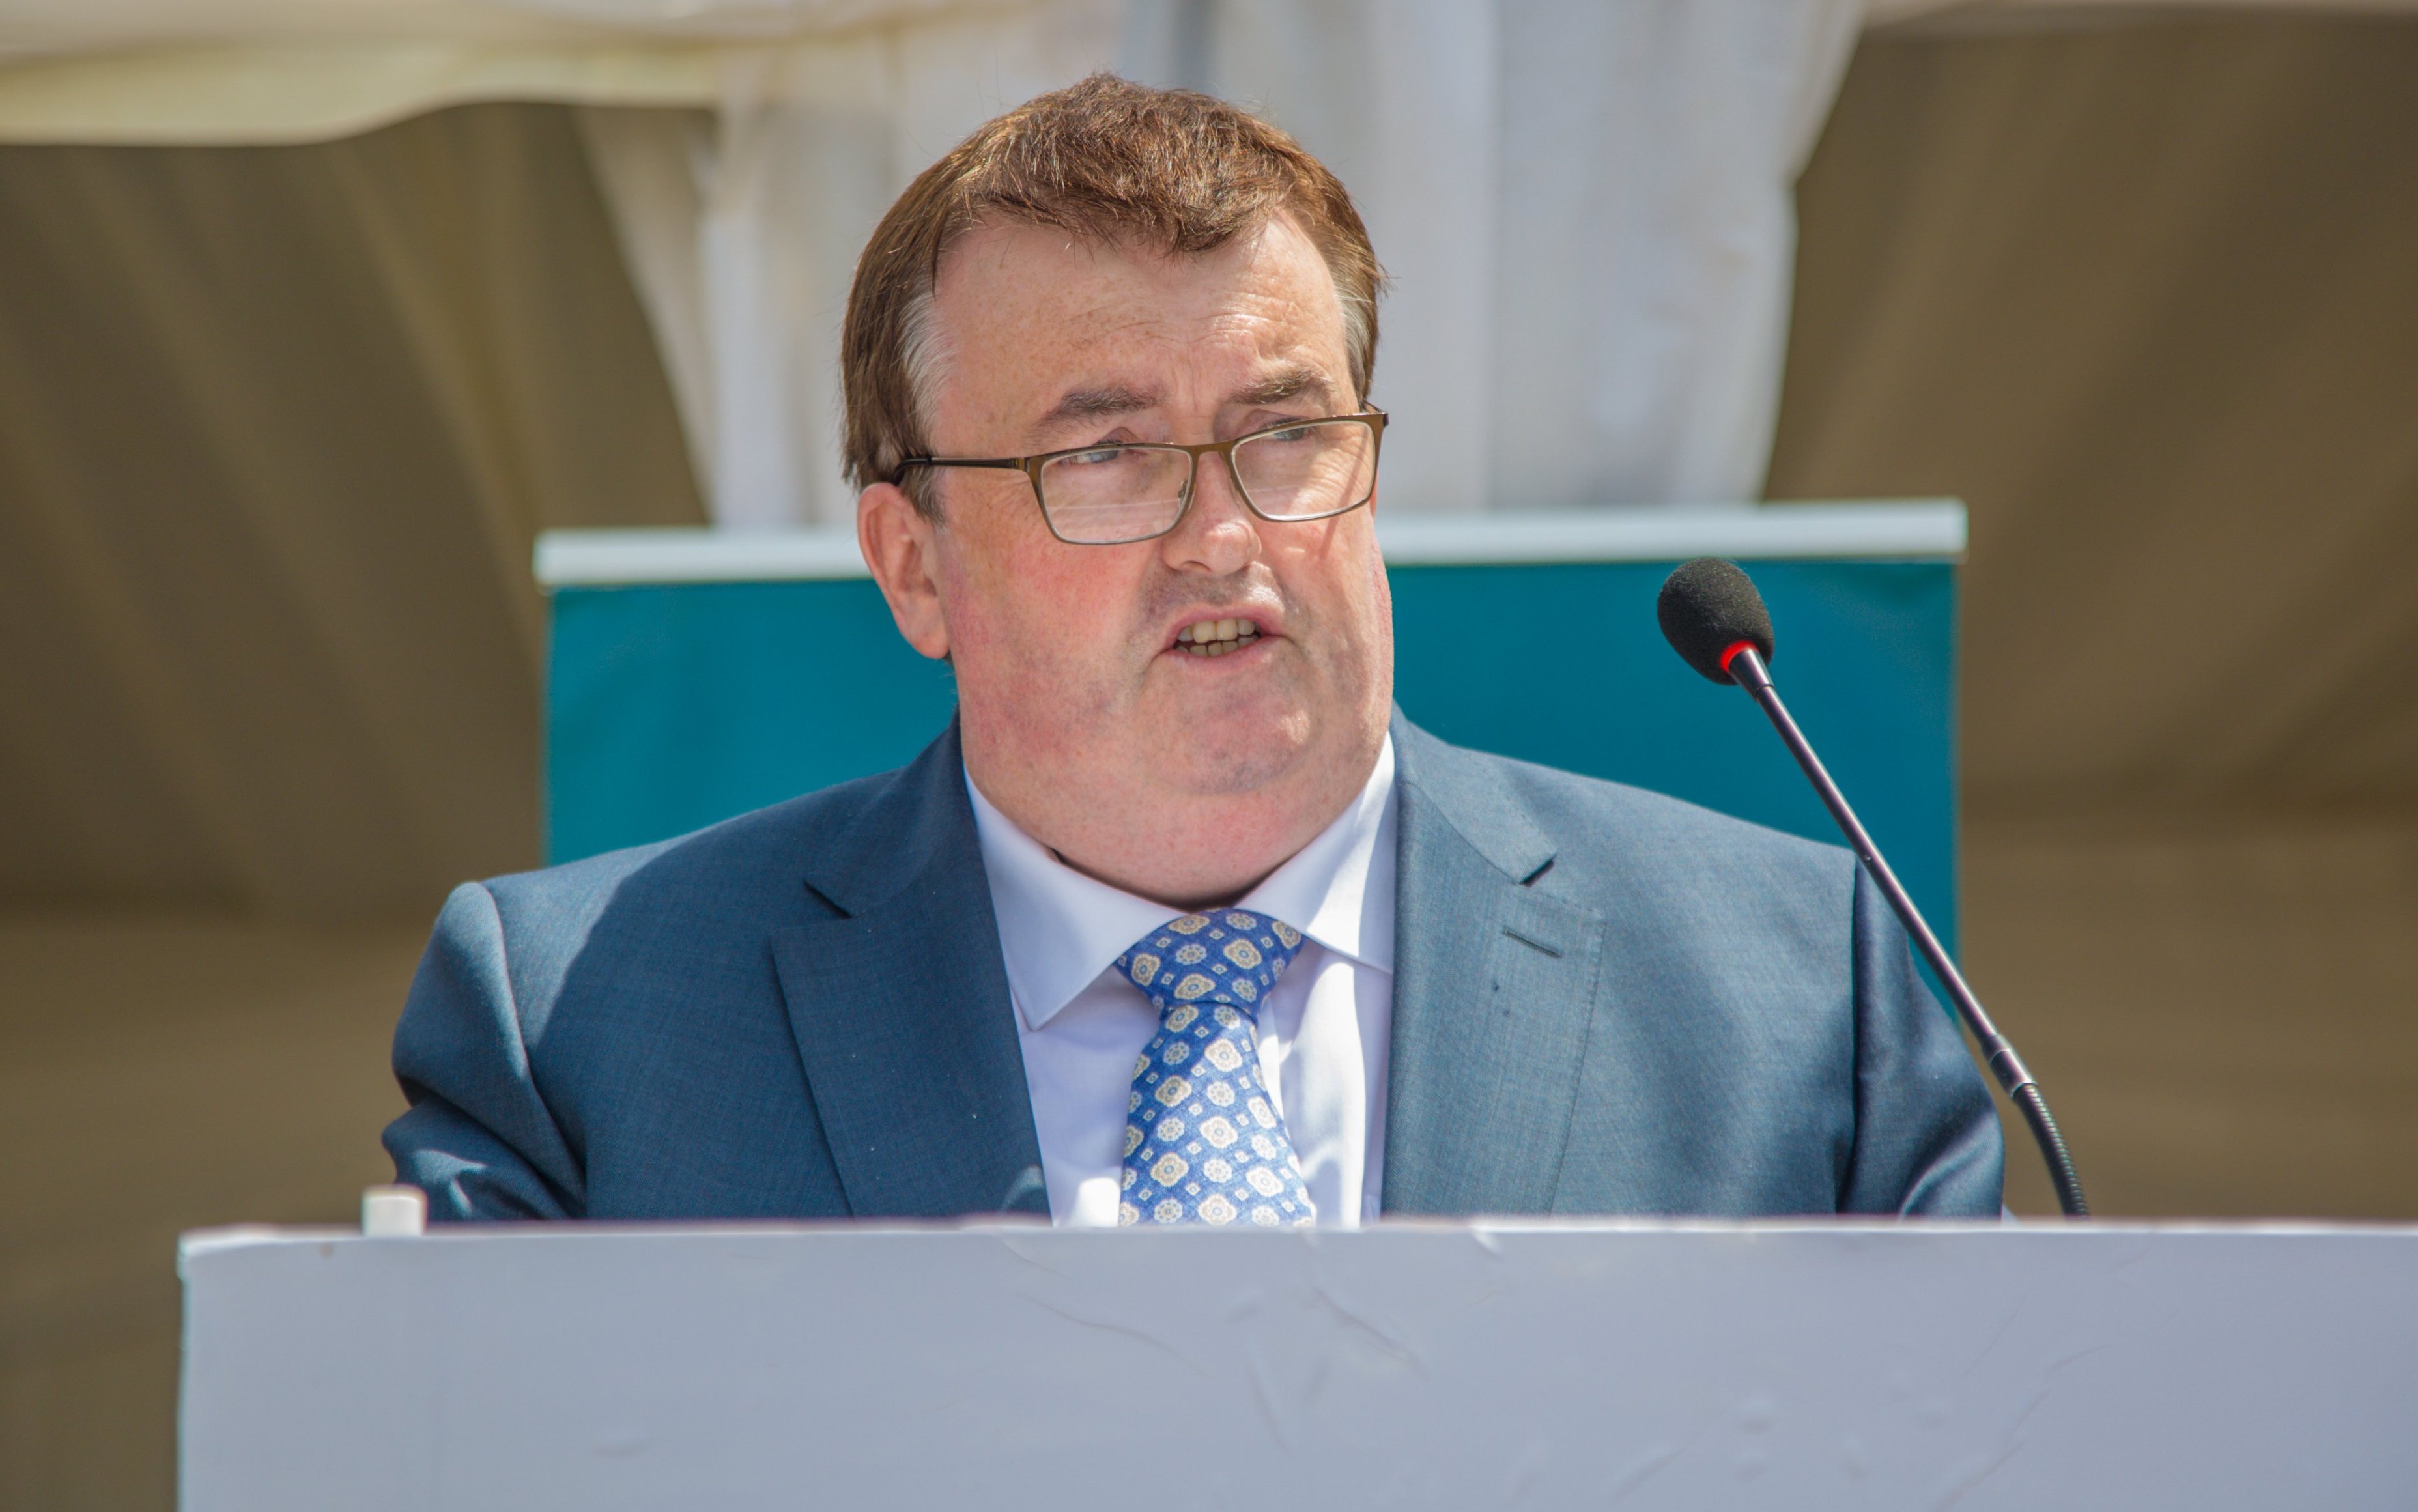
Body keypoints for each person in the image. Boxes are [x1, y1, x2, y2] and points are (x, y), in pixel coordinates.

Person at [385, 75, 2001, 1225]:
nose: (1221, 533)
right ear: (913, 566)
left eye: (1284, 434)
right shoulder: (587, 1038)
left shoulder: (1803, 997)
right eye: (1105, 455)